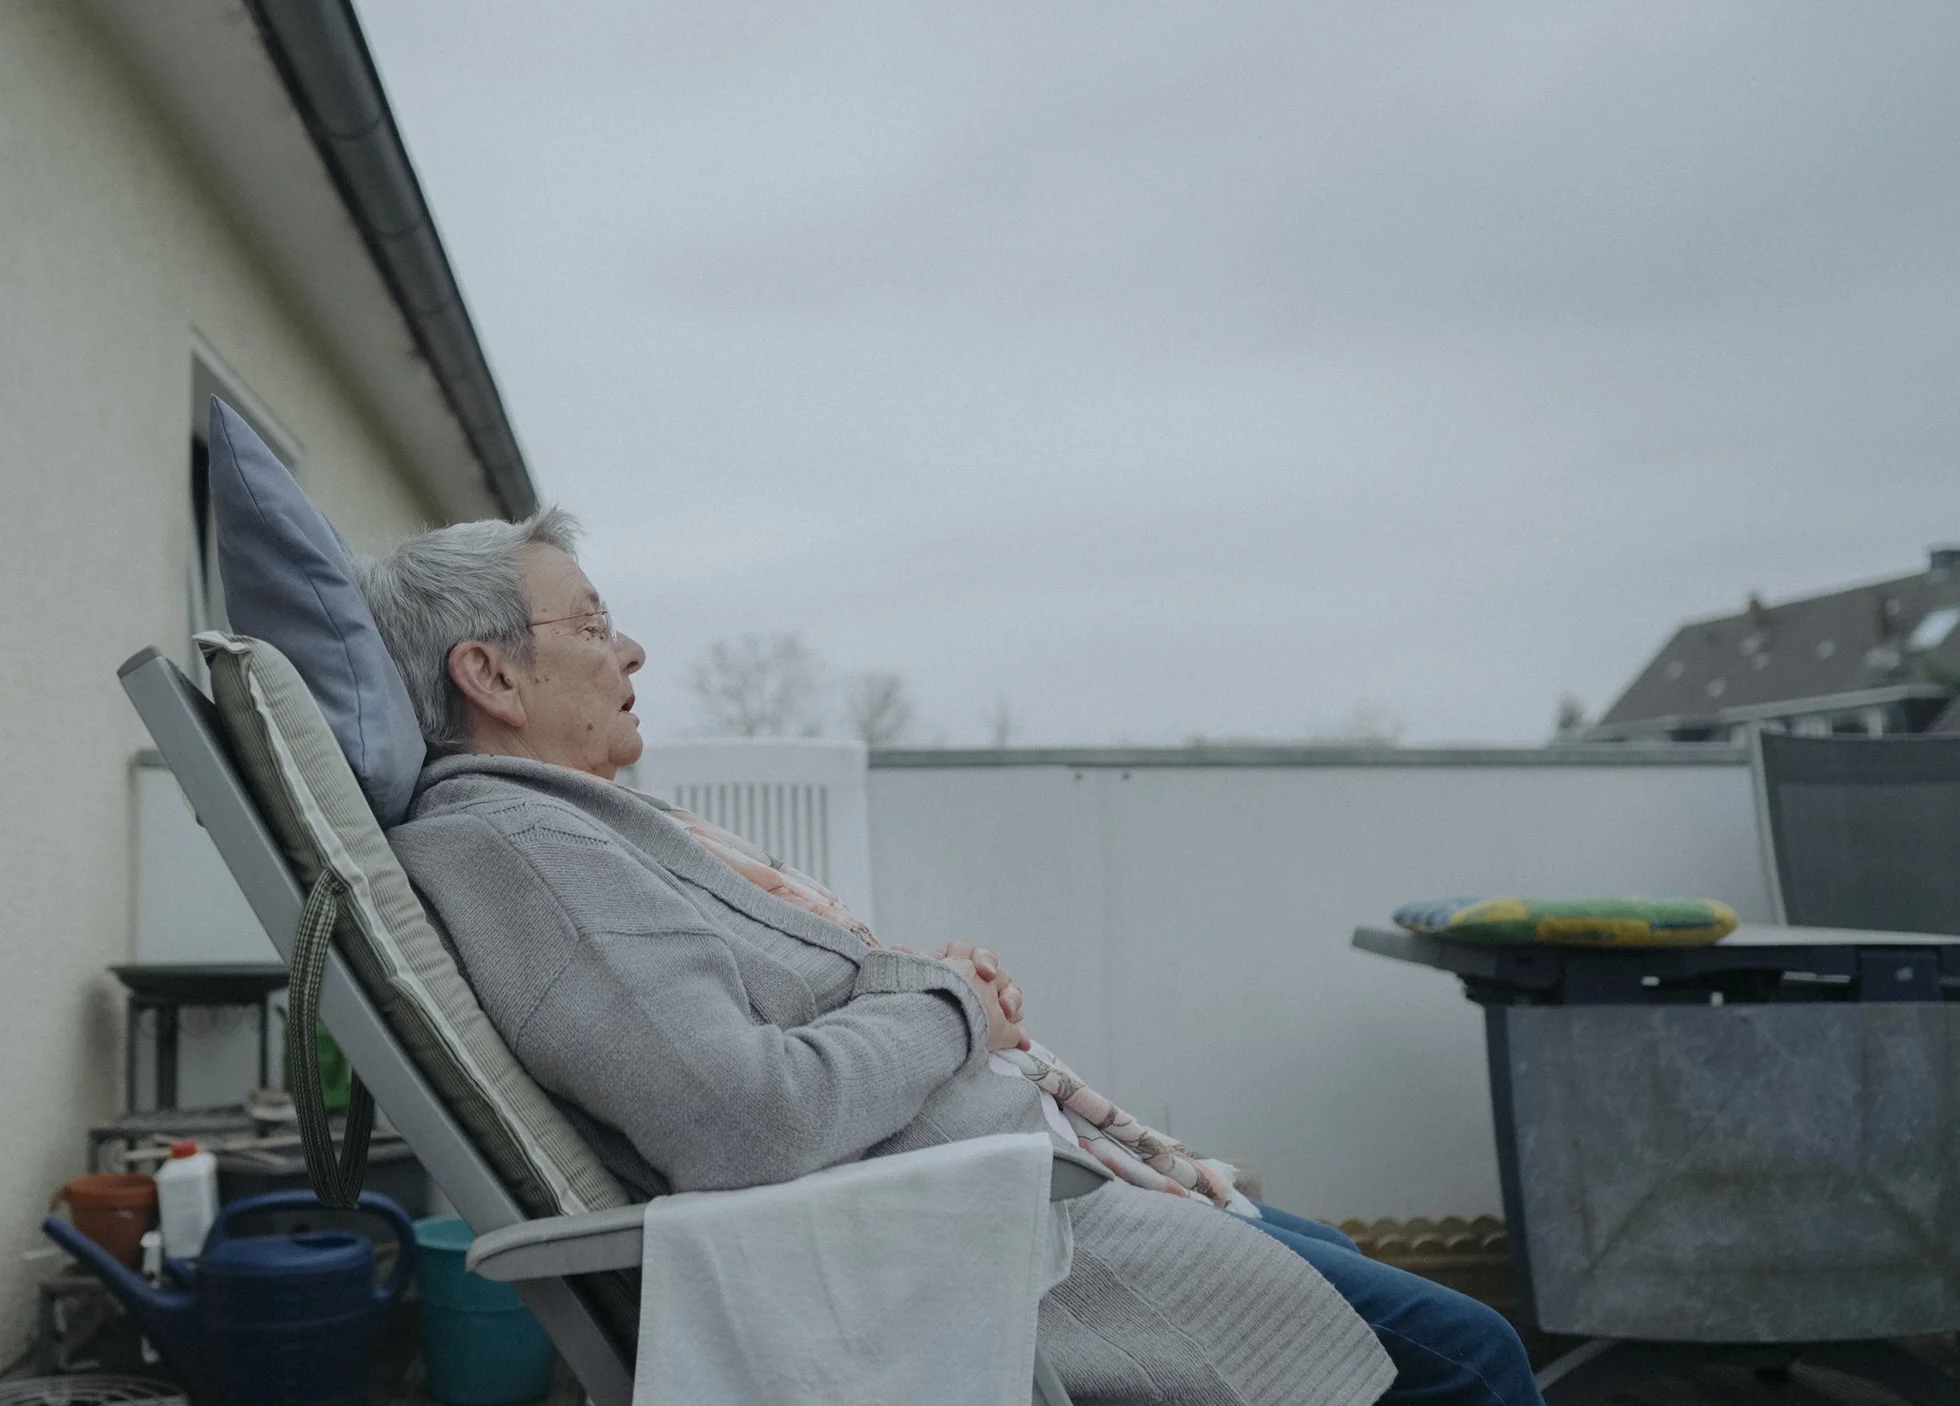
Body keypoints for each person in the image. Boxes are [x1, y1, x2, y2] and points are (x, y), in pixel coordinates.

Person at [361, 508, 1541, 1406]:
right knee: (1472, 1352)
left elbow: (759, 1027)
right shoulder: (522, 854)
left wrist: (919, 994)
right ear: (492, 672)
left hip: (998, 1195)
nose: (632, 649)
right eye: (591, 623)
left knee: (1331, 1255)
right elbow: (743, 1117)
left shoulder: (572, 828)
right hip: (988, 1244)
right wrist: (951, 1006)